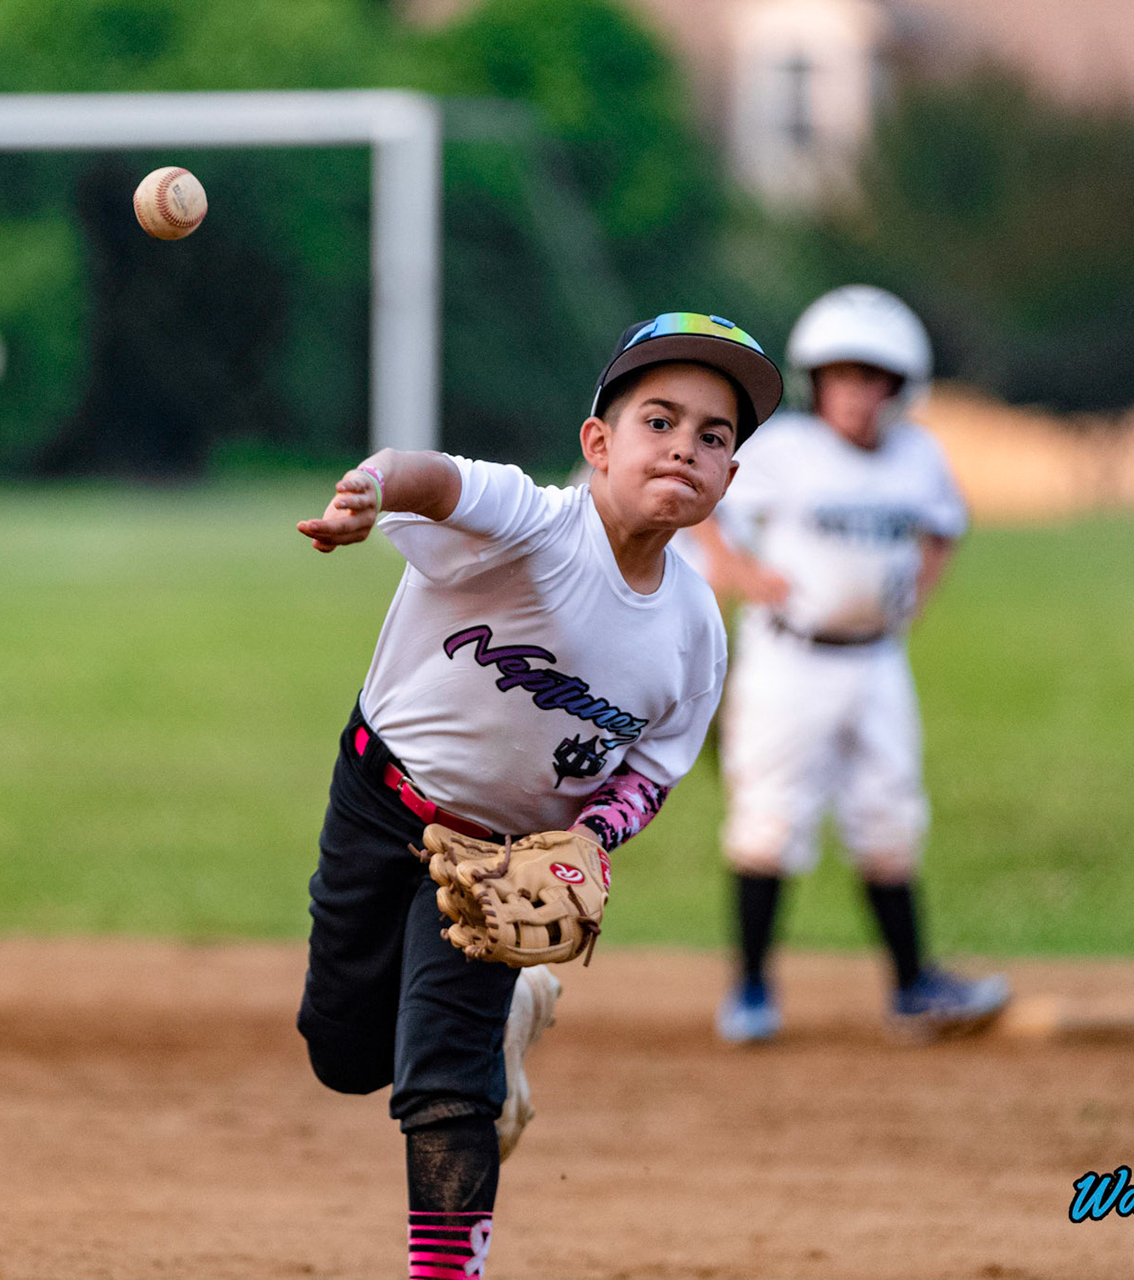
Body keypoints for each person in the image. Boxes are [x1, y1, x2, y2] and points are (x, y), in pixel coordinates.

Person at [294, 313, 785, 1279]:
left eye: (714, 436)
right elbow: (432, 476)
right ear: (597, 445)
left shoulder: (694, 632)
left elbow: (652, 770)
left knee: (444, 1083)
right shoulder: (533, 521)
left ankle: (448, 1263)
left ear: (729, 479)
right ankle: (507, 1024)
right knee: (343, 1054)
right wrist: (372, 490)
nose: (685, 445)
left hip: (501, 859)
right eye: (659, 419)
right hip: (380, 797)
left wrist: (591, 840)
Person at [688, 286, 1009, 1045]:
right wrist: (739, 571)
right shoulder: (785, 451)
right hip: (789, 658)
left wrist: (920, 594)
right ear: (815, 382)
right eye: (840, 377)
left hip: (877, 661)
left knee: (890, 816)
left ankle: (912, 988)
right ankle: (753, 992)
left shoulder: (916, 454)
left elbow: (945, 528)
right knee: (769, 820)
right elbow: (705, 504)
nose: (856, 394)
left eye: (872, 379)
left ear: (899, 389)